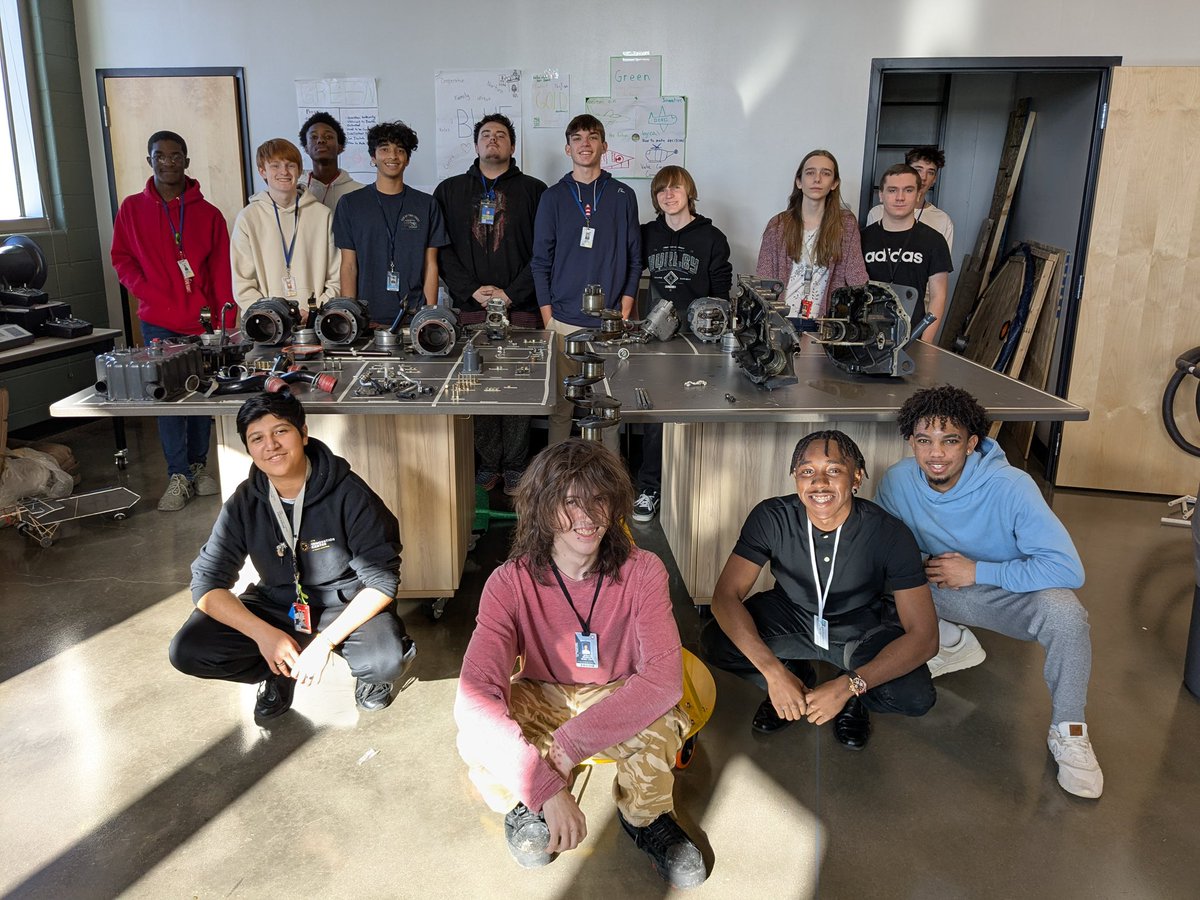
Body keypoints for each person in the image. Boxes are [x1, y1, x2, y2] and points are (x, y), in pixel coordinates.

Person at [454, 439, 707, 889]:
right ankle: (527, 801)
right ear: (543, 508)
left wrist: (568, 748)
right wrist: (545, 785)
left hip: (616, 690)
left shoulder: (644, 571)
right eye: (570, 502)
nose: (587, 517)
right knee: (478, 736)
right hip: (541, 689)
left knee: (666, 722)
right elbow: (475, 698)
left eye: (598, 500)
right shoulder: (508, 582)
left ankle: (645, 818)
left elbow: (663, 682)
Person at [876, 385, 1103, 798]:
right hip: (938, 586)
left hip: (1005, 592)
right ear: (911, 441)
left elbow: (1067, 569)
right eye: (924, 441)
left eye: (950, 441)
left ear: (972, 444)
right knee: (872, 572)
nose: (936, 454)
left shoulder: (1012, 486)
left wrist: (977, 570)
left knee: (1067, 615)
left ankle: (1069, 730)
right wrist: (930, 567)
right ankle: (948, 641)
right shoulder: (897, 482)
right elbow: (889, 549)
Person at [169, 390, 416, 720]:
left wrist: (325, 642)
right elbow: (206, 584)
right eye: (257, 438)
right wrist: (264, 635)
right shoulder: (245, 502)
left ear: (303, 434)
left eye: (280, 431)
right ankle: (278, 669)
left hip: (343, 602)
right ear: (249, 449)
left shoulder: (350, 494)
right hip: (279, 603)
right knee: (189, 650)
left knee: (384, 660)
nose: (270, 445)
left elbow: (382, 582)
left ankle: (370, 678)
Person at [700, 430, 938, 750]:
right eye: (807, 471)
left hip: (861, 626)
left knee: (915, 695)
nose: (819, 482)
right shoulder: (771, 517)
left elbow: (925, 637)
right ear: (795, 478)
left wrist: (849, 686)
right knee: (716, 640)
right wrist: (774, 674)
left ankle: (856, 700)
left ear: (856, 477)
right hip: (793, 614)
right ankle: (795, 679)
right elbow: (724, 598)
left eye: (834, 470)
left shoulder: (889, 534)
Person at [111, 130, 234, 512]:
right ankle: (177, 474)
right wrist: (146, 291)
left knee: (199, 395)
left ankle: (199, 466)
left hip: (201, 323)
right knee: (166, 400)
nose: (168, 161)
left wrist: (222, 318)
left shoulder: (209, 214)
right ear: (149, 160)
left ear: (187, 160)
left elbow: (219, 271)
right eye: (160, 155)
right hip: (158, 322)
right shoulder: (132, 209)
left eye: (176, 154)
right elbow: (122, 258)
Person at [434, 113, 547, 494]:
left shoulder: (535, 191)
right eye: (486, 135)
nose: (493, 140)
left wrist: (511, 292)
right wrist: (473, 290)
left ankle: (516, 465)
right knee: (476, 385)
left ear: (513, 147)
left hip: (521, 305)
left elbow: (544, 252)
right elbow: (442, 250)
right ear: (476, 145)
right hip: (471, 306)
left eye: (501, 135)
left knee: (517, 388)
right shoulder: (449, 191)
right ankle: (488, 462)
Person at [531, 115, 640, 451]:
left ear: (604, 146)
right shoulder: (553, 197)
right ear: (568, 148)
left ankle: (610, 485)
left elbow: (636, 259)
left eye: (593, 137)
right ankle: (554, 481)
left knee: (608, 409)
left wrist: (624, 308)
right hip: (563, 322)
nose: (585, 144)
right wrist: (548, 317)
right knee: (562, 407)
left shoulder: (623, 195)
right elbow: (540, 261)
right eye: (577, 138)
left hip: (608, 325)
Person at [634, 165, 732, 523]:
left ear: (690, 192)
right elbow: (626, 269)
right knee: (655, 415)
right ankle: (650, 487)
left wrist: (716, 334)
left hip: (699, 340)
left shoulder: (712, 238)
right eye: (661, 191)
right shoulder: (647, 234)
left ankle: (694, 487)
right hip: (657, 338)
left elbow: (722, 292)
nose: (668, 195)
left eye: (675, 188)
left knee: (698, 412)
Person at [334, 120, 448, 329]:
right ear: (373, 157)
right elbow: (348, 265)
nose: (393, 156)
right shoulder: (351, 204)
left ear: (407, 159)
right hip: (367, 319)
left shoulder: (427, 204)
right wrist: (351, 317)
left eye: (400, 150)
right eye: (384, 149)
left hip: (413, 318)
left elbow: (430, 264)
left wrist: (428, 316)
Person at [755, 149, 869, 322]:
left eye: (826, 173)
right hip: (781, 322)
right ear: (799, 182)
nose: (817, 179)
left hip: (825, 324)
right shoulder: (778, 225)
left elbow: (856, 278)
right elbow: (763, 280)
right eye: (810, 173)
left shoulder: (845, 224)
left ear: (834, 183)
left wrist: (860, 316)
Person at [231, 138, 340, 313]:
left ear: (299, 171)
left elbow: (336, 278)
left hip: (314, 320)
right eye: (275, 165)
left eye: (290, 165)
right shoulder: (248, 217)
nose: (284, 172)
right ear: (262, 171)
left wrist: (314, 310)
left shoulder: (322, 215)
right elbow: (243, 284)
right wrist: (272, 314)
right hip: (266, 324)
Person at [860, 163, 952, 342]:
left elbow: (938, 297)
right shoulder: (861, 238)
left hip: (912, 337)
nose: (900, 197)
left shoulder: (934, 241)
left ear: (918, 195)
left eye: (908, 190)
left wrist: (926, 342)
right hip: (865, 337)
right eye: (892, 190)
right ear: (881, 195)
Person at [866, 146, 954, 254]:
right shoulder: (877, 212)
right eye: (918, 170)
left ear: (935, 179)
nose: (923, 177)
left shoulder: (942, 220)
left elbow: (941, 265)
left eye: (930, 172)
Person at [299, 111, 364, 211]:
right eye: (314, 137)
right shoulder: (295, 191)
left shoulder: (359, 192)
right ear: (306, 148)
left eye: (328, 137)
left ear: (340, 147)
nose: (321, 140)